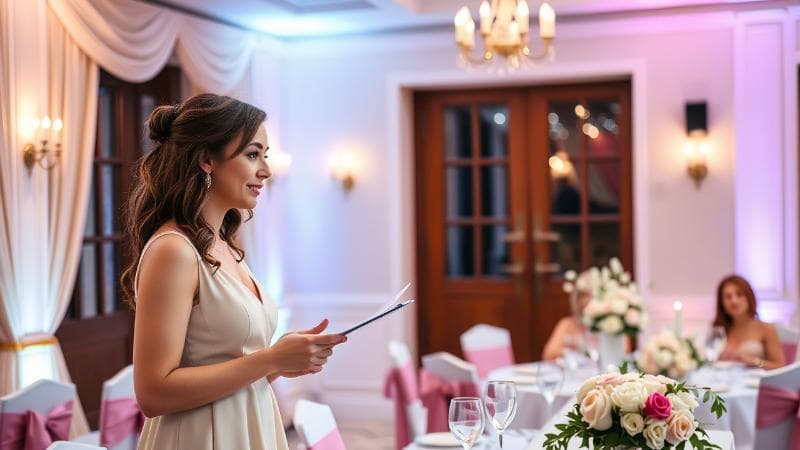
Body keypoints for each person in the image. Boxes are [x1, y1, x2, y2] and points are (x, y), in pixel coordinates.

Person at [120, 93, 347, 449]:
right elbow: (153, 393)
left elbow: (232, 371)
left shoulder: (225, 246)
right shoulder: (173, 250)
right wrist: (269, 358)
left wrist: (280, 361)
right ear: (207, 160)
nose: (266, 170)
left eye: (265, 156)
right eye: (253, 154)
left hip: (247, 428)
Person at [714, 274, 784, 369]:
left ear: (749, 297)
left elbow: (780, 366)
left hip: (756, 378)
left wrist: (754, 362)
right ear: (722, 303)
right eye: (728, 297)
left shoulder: (766, 329)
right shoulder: (719, 329)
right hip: (723, 377)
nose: (734, 301)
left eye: (739, 294)